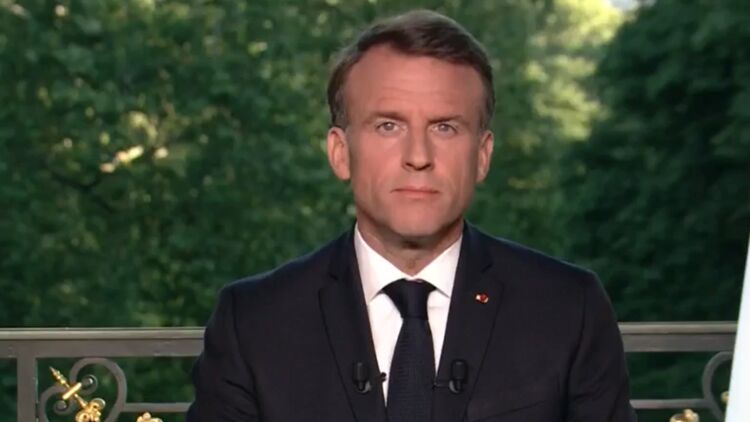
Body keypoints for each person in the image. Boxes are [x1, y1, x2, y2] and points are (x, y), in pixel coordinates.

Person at [187, 9, 636, 422]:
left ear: (482, 156)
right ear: (340, 153)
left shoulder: (568, 308)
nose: (418, 156)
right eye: (388, 126)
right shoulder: (253, 322)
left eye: (445, 127)